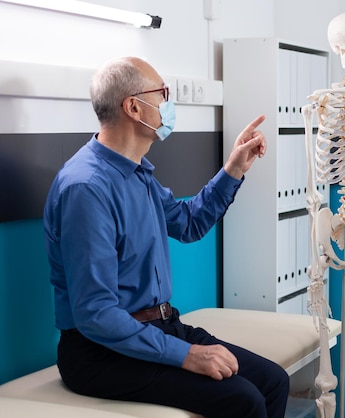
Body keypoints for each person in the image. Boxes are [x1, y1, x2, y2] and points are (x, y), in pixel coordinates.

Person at [43, 57, 289, 418]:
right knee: (243, 400)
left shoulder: (137, 173)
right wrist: (186, 355)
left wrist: (233, 168)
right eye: (163, 94)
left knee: (273, 381)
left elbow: (189, 223)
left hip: (160, 325)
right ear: (133, 107)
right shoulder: (86, 188)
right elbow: (95, 314)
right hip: (99, 351)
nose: (168, 105)